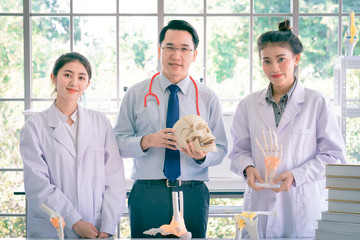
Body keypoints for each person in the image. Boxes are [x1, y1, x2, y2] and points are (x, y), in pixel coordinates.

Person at [228, 20, 346, 238]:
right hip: (259, 204)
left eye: (281, 59)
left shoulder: (316, 102)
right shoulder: (248, 104)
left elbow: (334, 157)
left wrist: (296, 175)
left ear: (296, 59)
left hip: (300, 206)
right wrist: (248, 167)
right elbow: (238, 150)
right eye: (267, 61)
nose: (274, 68)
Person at [114, 19, 227, 238]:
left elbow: (221, 148)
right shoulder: (136, 94)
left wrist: (202, 157)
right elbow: (117, 142)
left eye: (184, 49)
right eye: (170, 48)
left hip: (193, 192)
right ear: (160, 50)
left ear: (194, 55)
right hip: (148, 193)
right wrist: (146, 141)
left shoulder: (208, 98)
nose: (177, 55)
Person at [20, 52, 126, 238]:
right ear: (54, 78)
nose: (74, 82)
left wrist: (108, 226)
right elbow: (37, 185)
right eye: (67, 75)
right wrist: (74, 221)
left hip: (96, 227)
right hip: (52, 228)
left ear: (87, 84)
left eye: (81, 77)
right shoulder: (34, 127)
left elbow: (115, 179)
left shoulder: (101, 123)